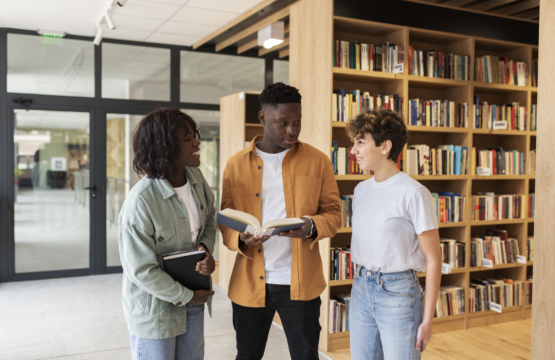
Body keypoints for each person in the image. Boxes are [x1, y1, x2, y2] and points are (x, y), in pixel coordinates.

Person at [219, 82, 341, 360]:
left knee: (306, 356)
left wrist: (310, 225)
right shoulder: (236, 164)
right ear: (262, 118)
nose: (292, 130)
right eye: (283, 122)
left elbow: (334, 214)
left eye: (297, 122)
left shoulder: (318, 161)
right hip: (250, 282)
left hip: (301, 284)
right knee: (247, 356)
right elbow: (226, 219)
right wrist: (240, 237)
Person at [118, 108, 216, 360]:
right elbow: (140, 270)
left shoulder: (195, 177)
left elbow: (209, 220)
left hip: (194, 301)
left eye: (195, 135)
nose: (197, 142)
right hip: (156, 311)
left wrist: (205, 250)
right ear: (165, 147)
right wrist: (188, 297)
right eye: (188, 138)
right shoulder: (141, 201)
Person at [347, 109, 441, 360]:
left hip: (399, 293)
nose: (353, 150)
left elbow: (433, 259)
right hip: (360, 287)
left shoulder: (414, 193)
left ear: (385, 146)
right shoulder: (360, 190)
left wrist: (428, 319)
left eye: (360, 142)